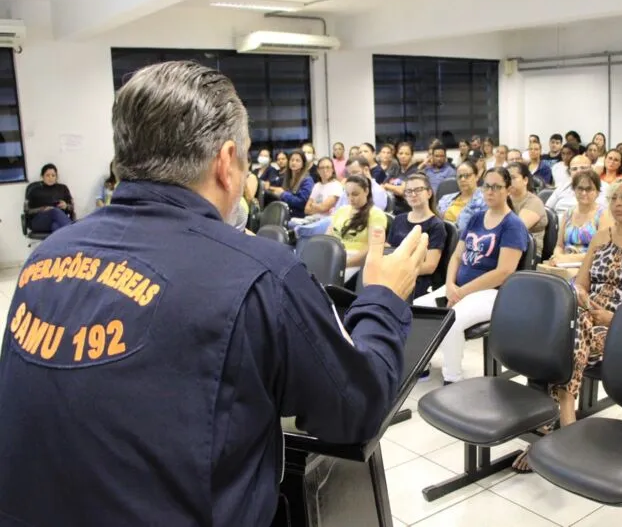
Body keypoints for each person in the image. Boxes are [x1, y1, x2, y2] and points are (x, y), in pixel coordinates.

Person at [0, 60, 431, 527]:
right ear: (227, 163)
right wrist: (384, 295)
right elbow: (355, 411)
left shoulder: (48, 256)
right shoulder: (260, 273)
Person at [514, 177, 622, 472]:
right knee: (559, 326)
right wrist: (584, 303)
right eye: (614, 198)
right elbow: (580, 284)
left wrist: (616, 319)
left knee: (568, 332)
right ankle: (557, 425)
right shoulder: (602, 237)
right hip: (588, 315)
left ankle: (558, 426)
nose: (617, 204)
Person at [413, 167, 527, 384]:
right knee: (419, 307)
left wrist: (462, 292)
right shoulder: (476, 218)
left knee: (451, 320)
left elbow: (503, 272)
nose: (490, 191)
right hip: (458, 287)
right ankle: (422, 366)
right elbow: (456, 257)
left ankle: (452, 378)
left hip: (493, 293)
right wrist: (449, 285)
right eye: (487, 186)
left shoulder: (513, 225)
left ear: (508, 190)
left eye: (497, 187)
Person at [387, 173, 447, 299]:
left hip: (419, 279)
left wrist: (400, 269)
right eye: (409, 191)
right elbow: (389, 249)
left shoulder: (436, 225)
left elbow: (430, 266)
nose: (413, 194)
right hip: (395, 274)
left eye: (418, 190)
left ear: (429, 193)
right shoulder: (399, 219)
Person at [328, 175, 389, 281]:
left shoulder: (376, 214)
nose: (350, 198)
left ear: (366, 191)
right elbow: (327, 238)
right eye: (347, 194)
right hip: (336, 257)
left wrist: (345, 263)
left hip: (356, 263)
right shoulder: (341, 211)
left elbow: (372, 248)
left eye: (355, 194)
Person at [548, 170, 607, 267]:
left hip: (590, 266)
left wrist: (566, 259)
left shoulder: (603, 214)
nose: (584, 193)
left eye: (589, 189)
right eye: (580, 188)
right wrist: (557, 256)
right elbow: (559, 246)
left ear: (597, 192)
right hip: (564, 264)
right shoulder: (567, 213)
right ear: (574, 190)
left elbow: (600, 251)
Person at [545, 155, 607, 220]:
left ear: (591, 169)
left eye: (583, 168)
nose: (578, 171)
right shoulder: (562, 186)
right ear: (569, 172)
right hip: (558, 223)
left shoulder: (603, 187)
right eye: (574, 169)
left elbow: (602, 213)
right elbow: (547, 209)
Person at [289, 157, 342, 229]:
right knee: (290, 223)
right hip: (313, 219)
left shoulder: (336, 186)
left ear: (332, 169)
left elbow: (323, 207)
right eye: (322, 168)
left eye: (328, 167)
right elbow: (306, 209)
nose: (325, 170)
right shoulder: (317, 186)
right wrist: (318, 207)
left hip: (326, 222)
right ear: (318, 170)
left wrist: (314, 205)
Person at [507, 163, 547, 259]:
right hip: (507, 248)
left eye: (513, 178)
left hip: (528, 254)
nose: (509, 182)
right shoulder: (505, 199)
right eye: (506, 178)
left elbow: (516, 230)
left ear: (525, 180)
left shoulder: (534, 202)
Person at [26, 164, 74, 233]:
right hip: (39, 222)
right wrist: (43, 209)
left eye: (53, 175)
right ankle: (75, 231)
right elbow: (27, 211)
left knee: (56, 227)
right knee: (54, 211)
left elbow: (71, 207)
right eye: (47, 175)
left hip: (58, 220)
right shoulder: (34, 190)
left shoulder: (63, 188)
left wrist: (66, 206)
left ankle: (66, 240)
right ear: (42, 176)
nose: (50, 178)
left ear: (56, 177)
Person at [383, 142, 421, 214]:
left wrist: (388, 186)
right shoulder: (396, 170)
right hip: (394, 208)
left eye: (407, 154)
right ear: (397, 155)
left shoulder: (415, 172)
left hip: (409, 209)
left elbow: (402, 191)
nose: (403, 156)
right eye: (400, 153)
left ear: (411, 155)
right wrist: (393, 187)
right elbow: (382, 185)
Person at [273, 151, 314, 219]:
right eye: (292, 160)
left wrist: (283, 194)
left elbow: (302, 202)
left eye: (297, 160)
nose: (294, 163)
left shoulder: (307, 180)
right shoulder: (287, 178)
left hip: (299, 217)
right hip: (286, 214)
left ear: (303, 164)